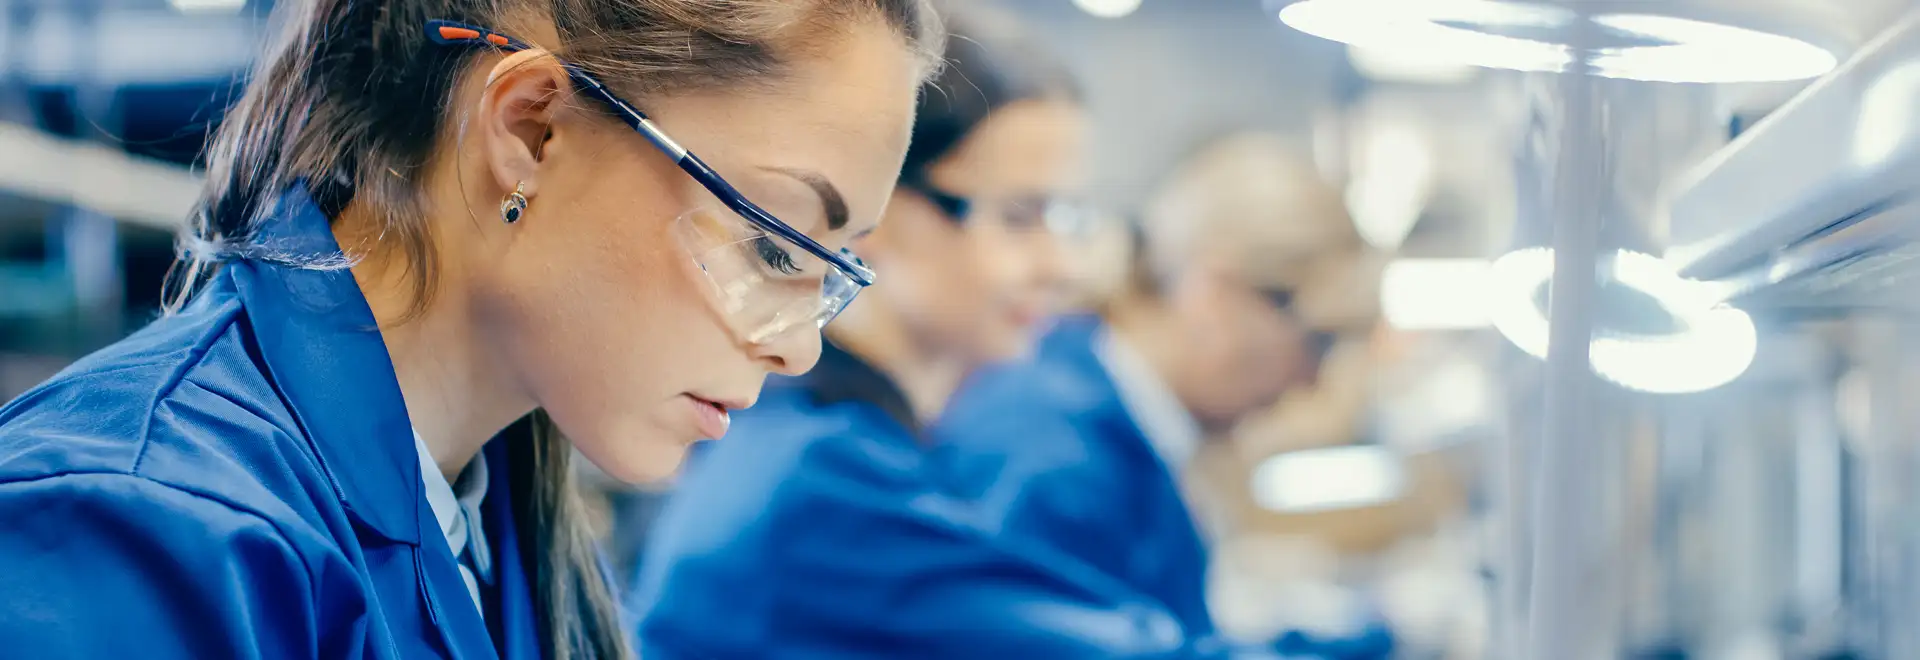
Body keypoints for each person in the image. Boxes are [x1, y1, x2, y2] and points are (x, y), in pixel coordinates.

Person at [0, 0, 941, 658]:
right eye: (777, 248)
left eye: (837, 269)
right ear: (531, 129)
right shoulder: (137, 529)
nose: (800, 346)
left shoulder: (509, 533)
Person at [937, 134, 1394, 659]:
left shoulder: (1118, 435)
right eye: (1316, 341)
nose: (1311, 381)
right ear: (1216, 297)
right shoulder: (1048, 455)